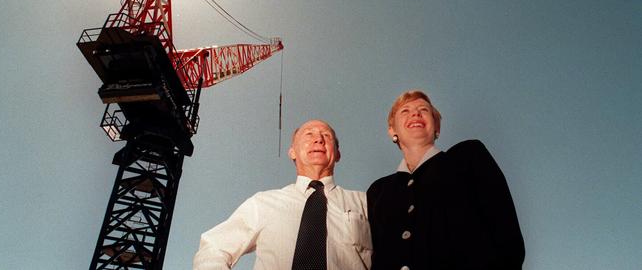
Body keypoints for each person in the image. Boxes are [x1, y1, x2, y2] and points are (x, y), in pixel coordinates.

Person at [367, 90, 525, 270]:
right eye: (405, 111)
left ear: (437, 127)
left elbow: (508, 237)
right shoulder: (378, 191)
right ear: (392, 130)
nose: (415, 113)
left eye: (424, 110)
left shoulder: (468, 157)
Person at [193, 119, 372, 270]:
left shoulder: (367, 203)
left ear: (338, 153)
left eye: (326, 135)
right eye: (308, 134)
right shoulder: (262, 203)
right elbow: (214, 247)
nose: (318, 139)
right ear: (292, 152)